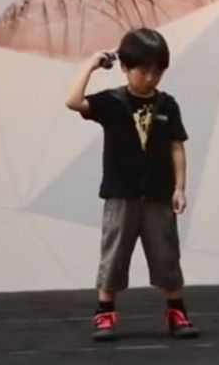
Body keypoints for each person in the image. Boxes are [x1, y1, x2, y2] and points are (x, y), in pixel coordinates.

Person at [65, 27, 199, 341]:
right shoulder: (112, 102)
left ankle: (176, 312)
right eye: (143, 71)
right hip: (120, 195)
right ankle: (104, 314)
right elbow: (73, 101)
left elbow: (177, 147)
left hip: (158, 196)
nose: (151, 78)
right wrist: (91, 65)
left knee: (167, 257)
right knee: (113, 256)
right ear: (125, 67)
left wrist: (179, 188)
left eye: (158, 72)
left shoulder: (167, 105)